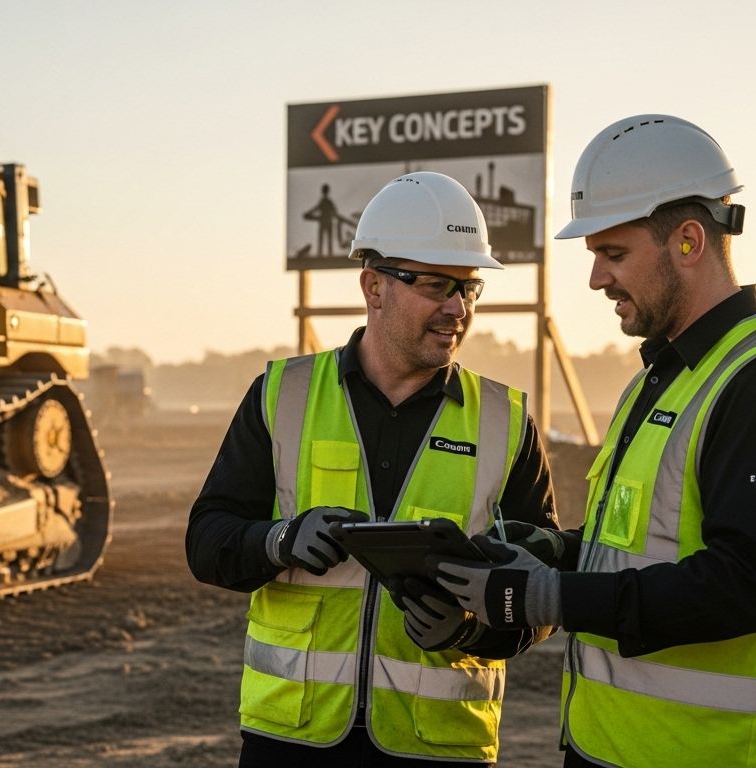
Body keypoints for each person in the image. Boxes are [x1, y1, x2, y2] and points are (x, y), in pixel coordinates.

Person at [430, 115, 756, 767]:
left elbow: (747, 586)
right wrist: (553, 552)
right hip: (612, 748)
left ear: (689, 241)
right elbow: (640, 549)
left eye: (614, 254)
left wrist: (548, 596)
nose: (596, 278)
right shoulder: (664, 378)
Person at [186, 171, 559, 767]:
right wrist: (280, 540)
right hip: (292, 740)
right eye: (437, 285)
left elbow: (541, 592)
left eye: (469, 288)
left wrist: (469, 630)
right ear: (374, 285)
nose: (458, 308)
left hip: (438, 748)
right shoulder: (283, 395)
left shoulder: (505, 422)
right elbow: (207, 542)